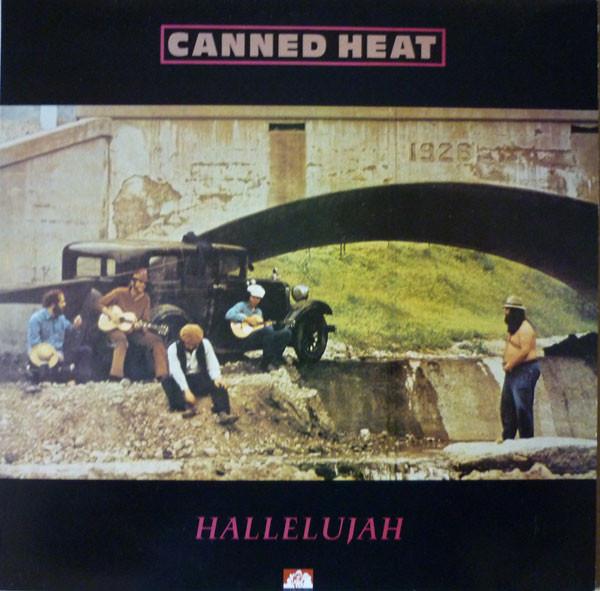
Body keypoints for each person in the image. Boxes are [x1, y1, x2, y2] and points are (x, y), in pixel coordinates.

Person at [97, 268, 168, 381]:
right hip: (114, 327)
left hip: (133, 330)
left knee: (156, 340)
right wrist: (111, 314)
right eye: (140, 282)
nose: (143, 285)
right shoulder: (119, 292)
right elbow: (99, 303)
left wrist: (141, 327)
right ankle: (115, 377)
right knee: (121, 340)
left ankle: (163, 376)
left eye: (144, 283)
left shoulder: (146, 299)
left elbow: (145, 320)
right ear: (132, 282)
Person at [161, 323, 237, 424]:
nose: (191, 346)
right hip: (184, 379)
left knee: (220, 385)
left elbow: (212, 363)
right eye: (189, 344)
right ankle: (186, 406)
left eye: (195, 344)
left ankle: (222, 412)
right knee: (167, 381)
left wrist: (217, 377)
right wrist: (185, 390)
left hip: (200, 378)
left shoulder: (206, 344)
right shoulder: (173, 348)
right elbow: (176, 371)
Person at [27, 289, 92, 383]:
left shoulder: (61, 318)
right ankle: (59, 377)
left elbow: (71, 330)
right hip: (43, 356)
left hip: (60, 354)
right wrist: (53, 353)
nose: (64, 304)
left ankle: (81, 381)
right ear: (53, 304)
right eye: (62, 302)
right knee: (52, 364)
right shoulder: (36, 319)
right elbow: (35, 344)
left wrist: (76, 325)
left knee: (85, 350)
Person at [500, 295, 541, 440]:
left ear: (515, 312)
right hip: (512, 371)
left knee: (522, 407)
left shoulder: (525, 328)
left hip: (525, 370)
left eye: (508, 310)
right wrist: (506, 361)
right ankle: (507, 439)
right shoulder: (513, 328)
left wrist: (510, 364)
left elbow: (524, 351)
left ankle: (526, 440)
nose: (505, 312)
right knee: (507, 406)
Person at [225, 284, 292, 370]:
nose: (255, 300)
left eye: (258, 298)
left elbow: (259, 328)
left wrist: (268, 325)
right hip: (243, 337)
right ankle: (264, 364)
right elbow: (229, 314)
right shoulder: (241, 305)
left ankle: (275, 358)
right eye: (253, 297)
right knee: (267, 331)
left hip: (257, 336)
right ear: (250, 297)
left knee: (286, 332)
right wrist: (246, 319)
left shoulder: (258, 311)